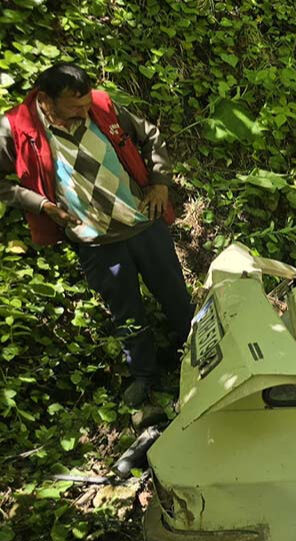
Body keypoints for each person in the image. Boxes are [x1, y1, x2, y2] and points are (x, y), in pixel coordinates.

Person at [0, 63, 192, 407]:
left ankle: (197, 353)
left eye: (86, 104)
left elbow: (150, 136)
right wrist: (41, 205)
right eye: (75, 107)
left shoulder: (103, 105)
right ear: (45, 100)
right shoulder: (15, 128)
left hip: (143, 223)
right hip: (95, 241)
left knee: (176, 295)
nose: (84, 112)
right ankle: (146, 378)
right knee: (126, 312)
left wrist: (160, 183)